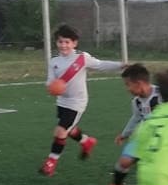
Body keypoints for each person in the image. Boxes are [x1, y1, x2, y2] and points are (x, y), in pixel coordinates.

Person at [40, 24, 124, 177]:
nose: (63, 45)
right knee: (70, 129)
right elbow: (50, 80)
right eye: (60, 42)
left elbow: (100, 65)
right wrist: (51, 87)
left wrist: (121, 65)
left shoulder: (81, 57)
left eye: (67, 42)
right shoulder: (54, 61)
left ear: (74, 43)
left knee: (60, 131)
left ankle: (51, 162)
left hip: (77, 102)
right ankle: (86, 141)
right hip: (62, 101)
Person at [100, 63, 160, 185]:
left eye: (128, 85)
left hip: (161, 141)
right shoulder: (137, 102)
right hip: (142, 136)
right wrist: (124, 134)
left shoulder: (163, 95)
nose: (127, 89)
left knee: (150, 172)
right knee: (124, 162)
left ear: (139, 83)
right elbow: (136, 118)